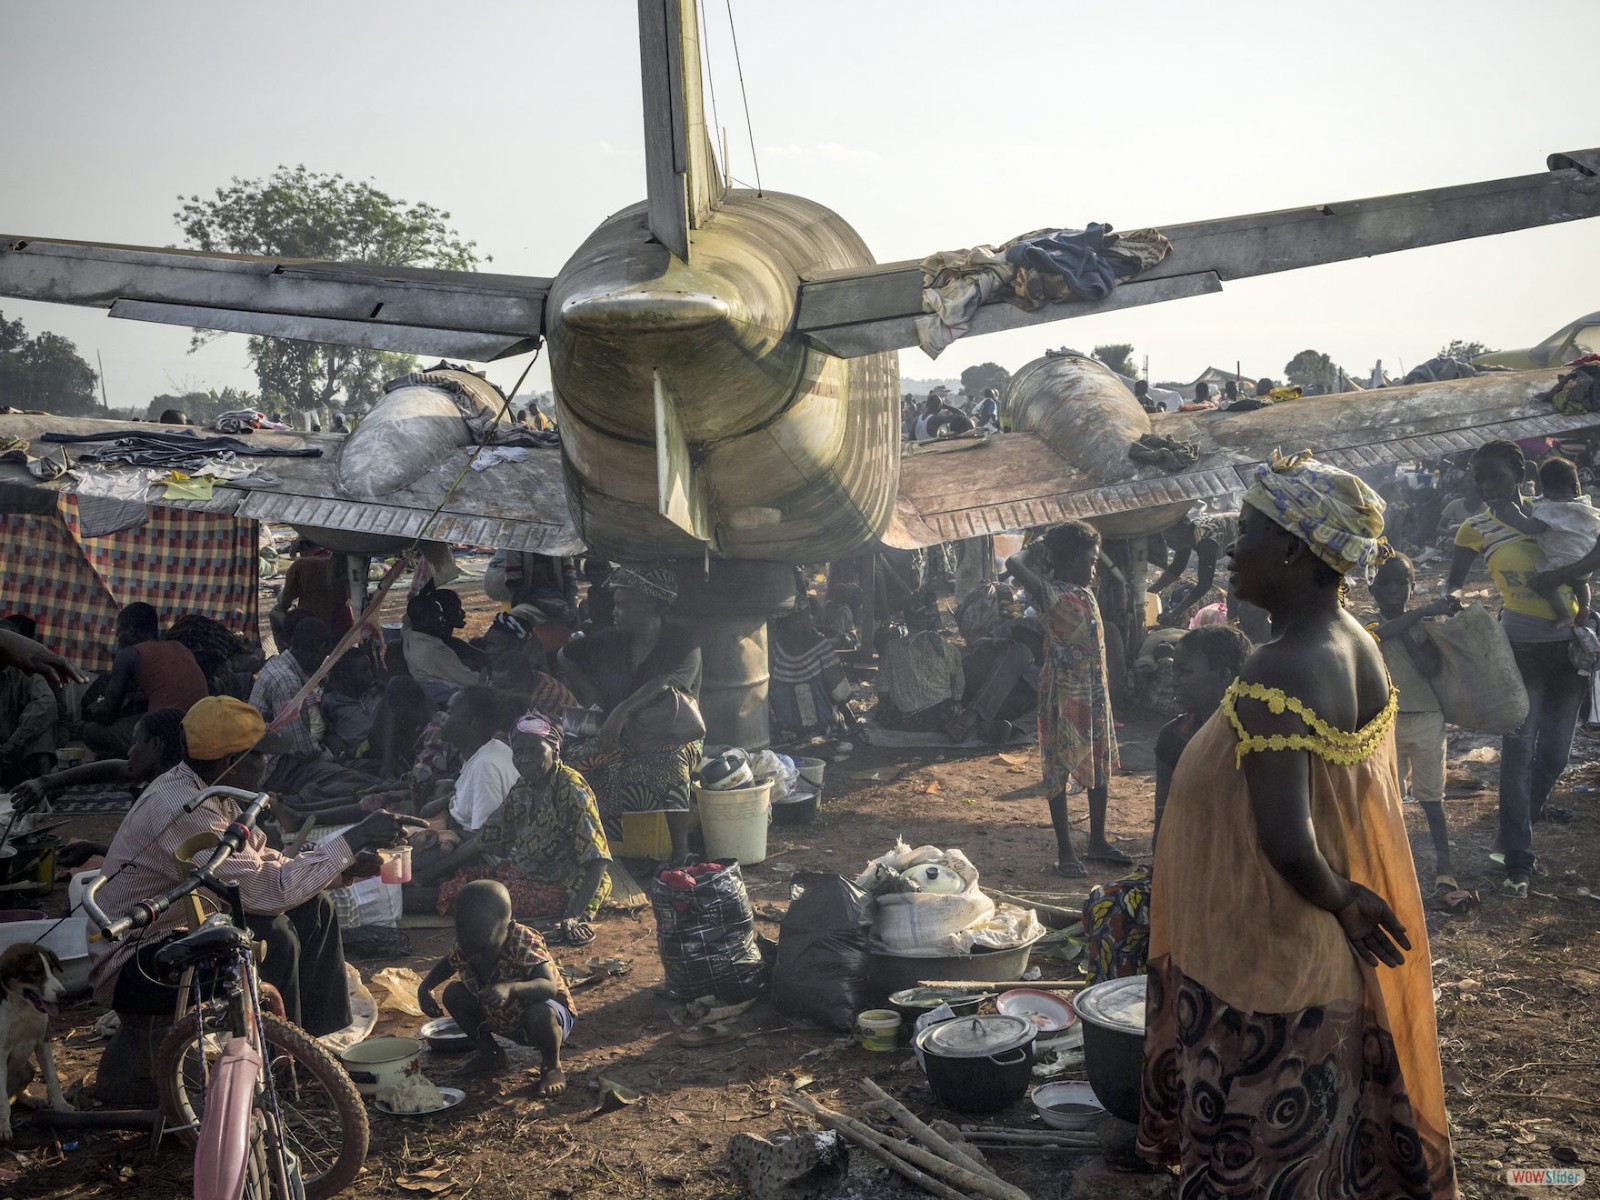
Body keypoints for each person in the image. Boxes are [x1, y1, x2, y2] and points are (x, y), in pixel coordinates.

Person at [1139, 451, 1455, 1196]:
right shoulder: (1356, 643)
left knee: (1258, 1163)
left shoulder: (1280, 667)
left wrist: (1342, 898)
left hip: (1265, 963)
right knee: (1316, 1156)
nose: (1228, 547)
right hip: (1308, 953)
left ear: (1292, 549)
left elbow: (1288, 841)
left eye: (1245, 530)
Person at [88, 697, 409, 1035]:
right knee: (275, 938)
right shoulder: (185, 808)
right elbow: (268, 891)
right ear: (233, 761)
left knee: (317, 907)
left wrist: (343, 868)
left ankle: (317, 1042)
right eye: (260, 756)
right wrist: (352, 839)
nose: (266, 765)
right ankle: (279, 1057)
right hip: (135, 963)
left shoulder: (214, 790)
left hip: (184, 930)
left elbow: (265, 862)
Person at [1445, 440, 1597, 897]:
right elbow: (1454, 581)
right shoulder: (1473, 528)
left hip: (1567, 650)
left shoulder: (1553, 512)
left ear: (1521, 474)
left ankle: (1512, 833)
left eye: (1497, 477)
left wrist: (1565, 583)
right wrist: (1450, 601)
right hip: (1517, 649)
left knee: (1555, 754)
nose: (1488, 487)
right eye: (1480, 480)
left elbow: (1588, 553)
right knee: (1519, 752)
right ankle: (1518, 859)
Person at [1005, 522, 1130, 877]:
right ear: (1069, 560)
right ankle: (1065, 851)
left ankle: (1097, 840)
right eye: (1089, 561)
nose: (1093, 568)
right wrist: (1043, 545)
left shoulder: (1084, 593)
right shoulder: (1051, 593)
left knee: (1098, 762)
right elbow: (1014, 563)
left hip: (1093, 691)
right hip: (1063, 695)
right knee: (1060, 766)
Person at [560, 566, 702, 863]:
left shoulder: (682, 639)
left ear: (650, 605)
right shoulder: (611, 639)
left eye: (623, 604)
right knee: (573, 762)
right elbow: (565, 656)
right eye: (616, 603)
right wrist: (593, 697)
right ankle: (599, 849)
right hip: (620, 734)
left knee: (669, 758)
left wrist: (621, 711)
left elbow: (667, 682)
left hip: (670, 732)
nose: (615, 611)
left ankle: (680, 850)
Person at [432, 711, 612, 924]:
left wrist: (573, 916)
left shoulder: (572, 790)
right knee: (462, 880)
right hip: (525, 874)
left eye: (535, 750)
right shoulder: (525, 787)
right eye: (519, 752)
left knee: (476, 898)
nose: (525, 759)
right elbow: (485, 838)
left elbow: (598, 860)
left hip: (564, 887)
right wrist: (427, 874)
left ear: (555, 750)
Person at [417, 879, 576, 1095]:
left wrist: (511, 989)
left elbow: (548, 986)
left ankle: (552, 1066)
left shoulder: (523, 940)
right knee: (453, 993)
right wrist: (425, 987)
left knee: (539, 1012)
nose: (476, 957)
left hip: (543, 1018)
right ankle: (490, 1053)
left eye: (485, 950)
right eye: (469, 949)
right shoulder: (467, 942)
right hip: (499, 1015)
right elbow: (449, 963)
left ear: (508, 926)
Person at [1363, 554, 1460, 887]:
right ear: (1371, 586)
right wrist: (1415, 615)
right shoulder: (1366, 621)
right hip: (1384, 723)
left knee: (1431, 798)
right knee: (1387, 797)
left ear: (1411, 586)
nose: (1392, 590)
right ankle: (1390, 867)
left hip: (1427, 720)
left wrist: (1413, 622)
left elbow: (1429, 667)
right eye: (1384, 583)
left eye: (1400, 583)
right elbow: (1376, 637)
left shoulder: (1423, 627)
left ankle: (1445, 867)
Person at [1151, 624, 1251, 844]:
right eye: (1174, 670)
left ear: (1223, 675)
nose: (1174, 680)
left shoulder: (1253, 738)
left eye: (1185, 672)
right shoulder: (1174, 737)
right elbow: (1163, 818)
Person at [82, 603, 209, 758]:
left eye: (119, 631)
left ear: (131, 630)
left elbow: (107, 714)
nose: (117, 637)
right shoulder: (179, 647)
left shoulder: (128, 655)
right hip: (199, 733)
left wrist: (94, 709)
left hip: (166, 739)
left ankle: (140, 766)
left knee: (91, 731)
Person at [1488, 455, 1600, 626]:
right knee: (1582, 582)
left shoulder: (1548, 510)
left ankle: (1563, 615)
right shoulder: (1583, 505)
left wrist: (1513, 512)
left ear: (1542, 488)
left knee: (1542, 584)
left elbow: (1529, 528)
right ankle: (1584, 606)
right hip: (1586, 558)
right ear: (1576, 487)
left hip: (1561, 561)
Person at [12, 707, 183, 816]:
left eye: (135, 742)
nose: (130, 751)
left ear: (155, 744)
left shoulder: (167, 800)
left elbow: (141, 860)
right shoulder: (176, 773)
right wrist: (45, 782)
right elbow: (115, 768)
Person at [0, 616, 58, 788]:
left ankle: (45, 784)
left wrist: (14, 742)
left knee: (41, 719)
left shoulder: (26, 670)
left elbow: (47, 703)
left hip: (19, 746)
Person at [270, 540, 351, 651]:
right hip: (345, 628)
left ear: (302, 548)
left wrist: (279, 593)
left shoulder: (301, 565)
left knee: (275, 613)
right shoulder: (340, 561)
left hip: (312, 628)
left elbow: (284, 603)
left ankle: (288, 652)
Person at [402, 591, 481, 702]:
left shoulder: (409, 635)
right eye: (438, 615)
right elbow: (470, 680)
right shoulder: (433, 650)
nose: (442, 619)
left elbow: (408, 620)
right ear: (425, 619)